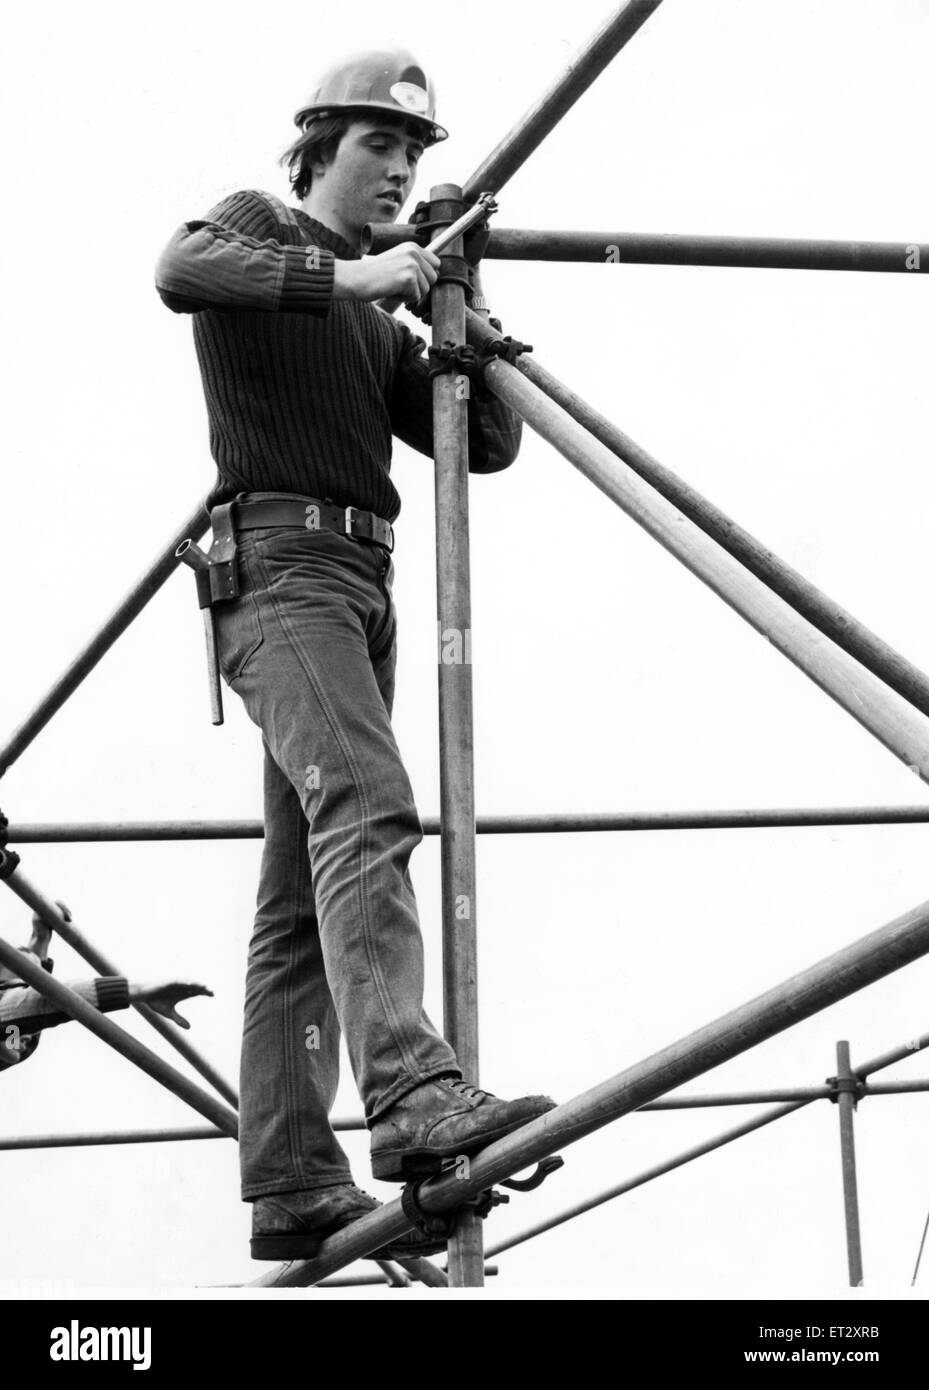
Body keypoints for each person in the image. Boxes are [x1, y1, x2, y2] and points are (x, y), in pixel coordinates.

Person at [155, 49, 555, 1263]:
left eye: (413, 153)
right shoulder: (262, 229)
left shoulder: (367, 314)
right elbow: (179, 268)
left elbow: (484, 442)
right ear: (320, 145)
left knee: (297, 893)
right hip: (279, 572)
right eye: (378, 145)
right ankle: (411, 1090)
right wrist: (365, 270)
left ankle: (288, 1175)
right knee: (368, 806)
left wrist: (459, 320)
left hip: (356, 585)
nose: (397, 170)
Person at [1, 902, 212, 1070]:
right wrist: (135, 992)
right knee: (21, 1012)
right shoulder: (14, 1030)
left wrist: (41, 933)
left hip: (13, 1023)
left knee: (24, 979)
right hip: (13, 1031)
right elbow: (31, 1012)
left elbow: (29, 996)